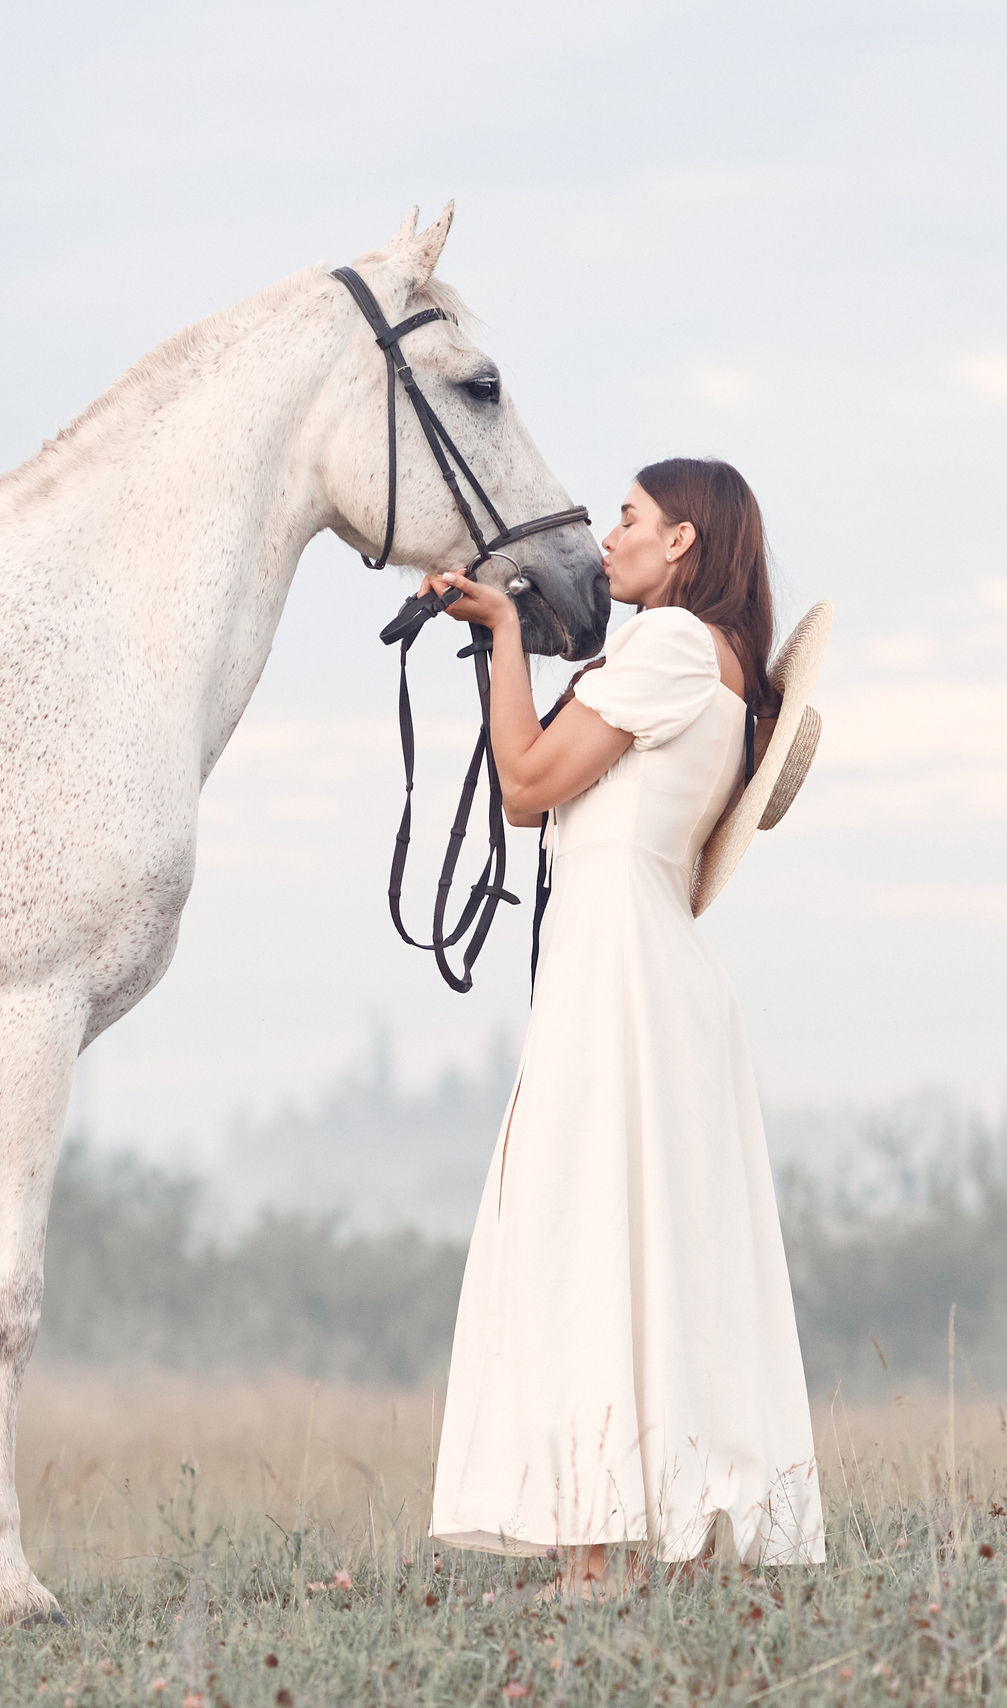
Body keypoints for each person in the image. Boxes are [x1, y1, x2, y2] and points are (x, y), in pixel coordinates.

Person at [421, 457, 825, 1597]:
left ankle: (591, 1553)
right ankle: (637, 1534)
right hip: (654, 963)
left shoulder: (663, 649)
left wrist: (502, 632)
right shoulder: (725, 666)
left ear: (684, 541)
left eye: (630, 515)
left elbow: (526, 781)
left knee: (583, 1234)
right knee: (651, 1249)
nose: (608, 536)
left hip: (615, 975)